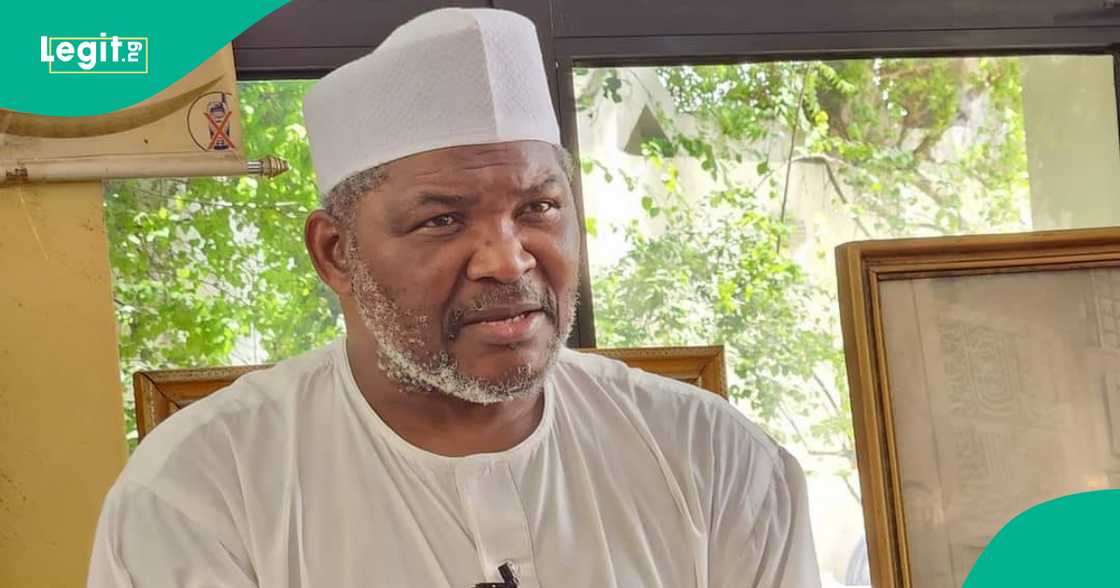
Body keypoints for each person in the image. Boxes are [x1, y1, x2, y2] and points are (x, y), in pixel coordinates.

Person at [87, 7, 821, 587]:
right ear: (336, 253)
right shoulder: (202, 491)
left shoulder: (715, 460)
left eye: (539, 208)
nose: (508, 259)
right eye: (443, 219)